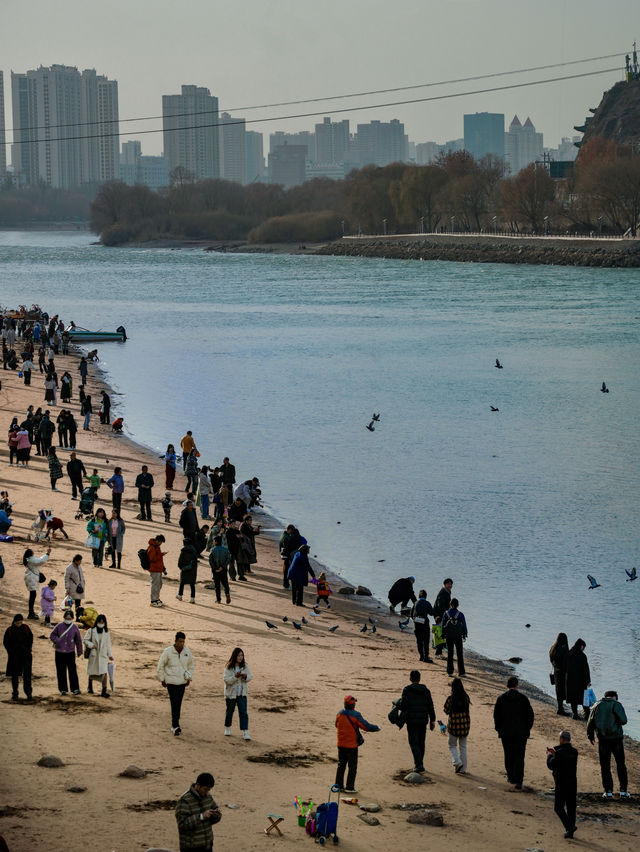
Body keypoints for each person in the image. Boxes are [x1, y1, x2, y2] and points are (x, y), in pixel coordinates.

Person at [587, 690, 630, 799]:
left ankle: (608, 791)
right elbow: (624, 720)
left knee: (605, 766)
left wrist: (590, 736)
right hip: (616, 739)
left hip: (603, 739)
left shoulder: (597, 705)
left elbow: (590, 722)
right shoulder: (616, 705)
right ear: (615, 697)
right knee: (621, 764)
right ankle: (623, 791)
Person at [493, 676, 534, 790]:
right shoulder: (523, 698)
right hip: (521, 733)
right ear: (517, 685)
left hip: (506, 732)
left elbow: (496, 716)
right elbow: (530, 715)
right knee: (520, 757)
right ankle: (519, 780)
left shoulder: (501, 698)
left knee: (509, 754)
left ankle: (511, 776)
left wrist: (499, 729)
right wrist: (527, 729)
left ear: (507, 685)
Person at [334, 695, 380, 794]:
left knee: (341, 765)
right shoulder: (356, 715)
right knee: (352, 767)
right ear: (353, 705)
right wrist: (376, 727)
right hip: (351, 746)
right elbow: (366, 726)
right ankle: (349, 787)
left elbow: (336, 725)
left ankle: (338, 785)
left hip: (341, 744)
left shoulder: (339, 713)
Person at [398, 670, 436, 773]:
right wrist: (433, 720)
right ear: (419, 679)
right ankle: (420, 763)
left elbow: (404, 705)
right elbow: (430, 706)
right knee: (421, 742)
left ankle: (418, 764)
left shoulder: (407, 690)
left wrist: (398, 703)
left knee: (413, 743)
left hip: (411, 720)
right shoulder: (426, 691)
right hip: (423, 720)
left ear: (410, 679)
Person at [158, 631, 194, 735]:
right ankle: (175, 725)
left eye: (183, 641)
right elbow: (161, 665)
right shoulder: (168, 651)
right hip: (171, 682)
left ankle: (176, 723)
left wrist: (188, 677)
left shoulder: (187, 651)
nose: (181, 644)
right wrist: (162, 679)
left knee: (178, 703)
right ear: (175, 641)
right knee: (174, 703)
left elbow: (191, 666)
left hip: (182, 682)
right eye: (180, 641)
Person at [175, 772, 221, 852]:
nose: (206, 792)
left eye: (209, 790)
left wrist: (216, 815)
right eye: (205, 789)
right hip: (191, 847)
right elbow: (182, 824)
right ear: (198, 785)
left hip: (207, 845)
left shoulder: (208, 796)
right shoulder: (184, 800)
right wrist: (201, 816)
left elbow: (215, 812)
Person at [546, 730, 579, 839]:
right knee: (571, 808)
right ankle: (570, 831)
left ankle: (569, 827)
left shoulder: (559, 753)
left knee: (558, 807)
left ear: (562, 739)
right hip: (572, 783)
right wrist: (555, 753)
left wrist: (550, 755)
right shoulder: (574, 752)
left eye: (559, 738)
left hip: (561, 783)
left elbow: (551, 765)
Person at [50, 609, 83, 695]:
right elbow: (52, 635)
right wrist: (57, 640)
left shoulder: (75, 627)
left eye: (70, 618)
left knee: (72, 671)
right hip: (59, 652)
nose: (68, 619)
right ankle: (63, 689)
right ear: (64, 617)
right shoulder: (59, 626)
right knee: (61, 671)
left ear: (72, 618)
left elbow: (78, 640)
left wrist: (79, 651)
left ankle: (75, 688)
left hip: (70, 652)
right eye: (66, 618)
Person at [223, 647, 252, 738]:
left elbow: (250, 677)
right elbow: (226, 680)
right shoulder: (228, 667)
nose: (240, 657)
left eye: (242, 655)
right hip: (231, 693)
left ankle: (245, 731)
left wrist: (245, 676)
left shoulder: (245, 666)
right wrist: (235, 677)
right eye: (239, 655)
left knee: (243, 712)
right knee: (229, 711)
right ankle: (227, 728)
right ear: (234, 656)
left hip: (242, 693)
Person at [3, 614, 33, 701]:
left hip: (26, 655)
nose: (19, 624)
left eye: (20, 622)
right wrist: (11, 652)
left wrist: (28, 649)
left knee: (27, 675)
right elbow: (6, 643)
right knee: (15, 676)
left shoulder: (26, 628)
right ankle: (15, 693)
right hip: (14, 657)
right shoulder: (9, 630)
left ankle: (29, 693)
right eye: (17, 623)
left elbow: (30, 638)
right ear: (14, 622)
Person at [444, 677, 471, 773]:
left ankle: (457, 761)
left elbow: (446, 711)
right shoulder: (466, 697)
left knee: (451, 745)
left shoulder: (451, 699)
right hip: (465, 726)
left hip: (454, 726)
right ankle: (463, 769)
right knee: (463, 747)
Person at [84, 613, 113, 698]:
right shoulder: (91, 631)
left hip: (103, 655)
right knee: (92, 671)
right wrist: (91, 645)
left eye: (102, 622)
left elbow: (108, 644)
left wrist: (110, 655)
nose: (101, 624)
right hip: (94, 654)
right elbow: (85, 640)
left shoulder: (107, 632)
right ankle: (90, 687)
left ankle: (104, 690)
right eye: (99, 622)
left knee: (104, 672)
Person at [441, 598, 467, 677]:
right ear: (458, 605)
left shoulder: (446, 613)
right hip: (458, 636)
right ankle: (461, 672)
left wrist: (443, 634)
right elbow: (464, 626)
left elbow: (443, 625)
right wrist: (464, 635)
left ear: (450, 604)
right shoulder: (460, 614)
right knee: (459, 654)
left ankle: (450, 672)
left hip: (449, 636)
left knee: (450, 654)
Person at [565, 638, 591, 720]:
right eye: (584, 647)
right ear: (581, 646)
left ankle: (575, 714)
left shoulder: (569, 653)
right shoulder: (582, 656)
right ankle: (587, 715)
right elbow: (586, 669)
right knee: (584, 698)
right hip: (580, 681)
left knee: (573, 698)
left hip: (570, 679)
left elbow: (565, 666)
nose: (583, 649)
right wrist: (588, 681)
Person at [23, 546, 51, 620]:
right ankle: (30, 613)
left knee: (32, 595)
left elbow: (39, 560)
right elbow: (40, 561)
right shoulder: (32, 559)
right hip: (31, 578)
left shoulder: (29, 559)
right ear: (31, 553)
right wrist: (47, 554)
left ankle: (31, 612)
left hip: (30, 577)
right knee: (32, 596)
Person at [549, 632, 570, 716]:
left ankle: (560, 708)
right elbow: (566, 662)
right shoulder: (563, 649)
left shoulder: (553, 648)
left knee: (558, 690)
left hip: (556, 672)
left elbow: (551, 660)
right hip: (562, 672)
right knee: (562, 691)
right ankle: (560, 709)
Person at [432, 578, 454, 657]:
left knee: (442, 633)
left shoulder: (447, 592)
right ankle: (438, 653)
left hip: (442, 615)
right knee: (441, 633)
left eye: (451, 584)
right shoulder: (443, 592)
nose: (450, 585)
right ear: (445, 584)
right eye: (448, 584)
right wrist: (446, 615)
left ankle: (439, 650)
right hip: (439, 615)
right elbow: (440, 605)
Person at [411, 589, 434, 663]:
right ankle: (426, 657)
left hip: (417, 623)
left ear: (419, 596)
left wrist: (415, 619)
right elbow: (431, 613)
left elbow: (411, 614)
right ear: (426, 596)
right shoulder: (427, 603)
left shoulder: (415, 603)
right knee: (426, 641)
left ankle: (421, 656)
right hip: (425, 624)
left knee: (419, 641)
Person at [279, 523, 303, 590]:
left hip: (285, 556)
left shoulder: (284, 535)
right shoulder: (289, 538)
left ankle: (286, 584)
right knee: (288, 571)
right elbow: (289, 547)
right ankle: (286, 585)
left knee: (286, 570)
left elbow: (283, 546)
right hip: (288, 557)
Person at [209, 535, 231, 604]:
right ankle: (227, 594)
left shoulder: (213, 550)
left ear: (215, 542)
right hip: (223, 570)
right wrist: (223, 567)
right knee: (225, 583)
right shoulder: (226, 549)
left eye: (213, 541)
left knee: (217, 585)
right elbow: (228, 559)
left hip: (215, 570)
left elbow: (211, 560)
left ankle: (218, 599)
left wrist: (215, 568)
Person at [177, 537, 199, 603]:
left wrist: (181, 567)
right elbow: (195, 561)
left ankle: (180, 595)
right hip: (193, 569)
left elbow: (180, 561)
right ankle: (192, 598)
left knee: (182, 583)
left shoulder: (183, 551)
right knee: (192, 584)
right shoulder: (194, 551)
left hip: (184, 569)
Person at [148, 534, 167, 607]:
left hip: (158, 569)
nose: (161, 544)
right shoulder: (152, 547)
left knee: (159, 585)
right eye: (161, 542)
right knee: (155, 585)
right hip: (154, 569)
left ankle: (157, 599)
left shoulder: (156, 547)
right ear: (157, 541)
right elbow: (152, 559)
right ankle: (153, 600)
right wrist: (161, 555)